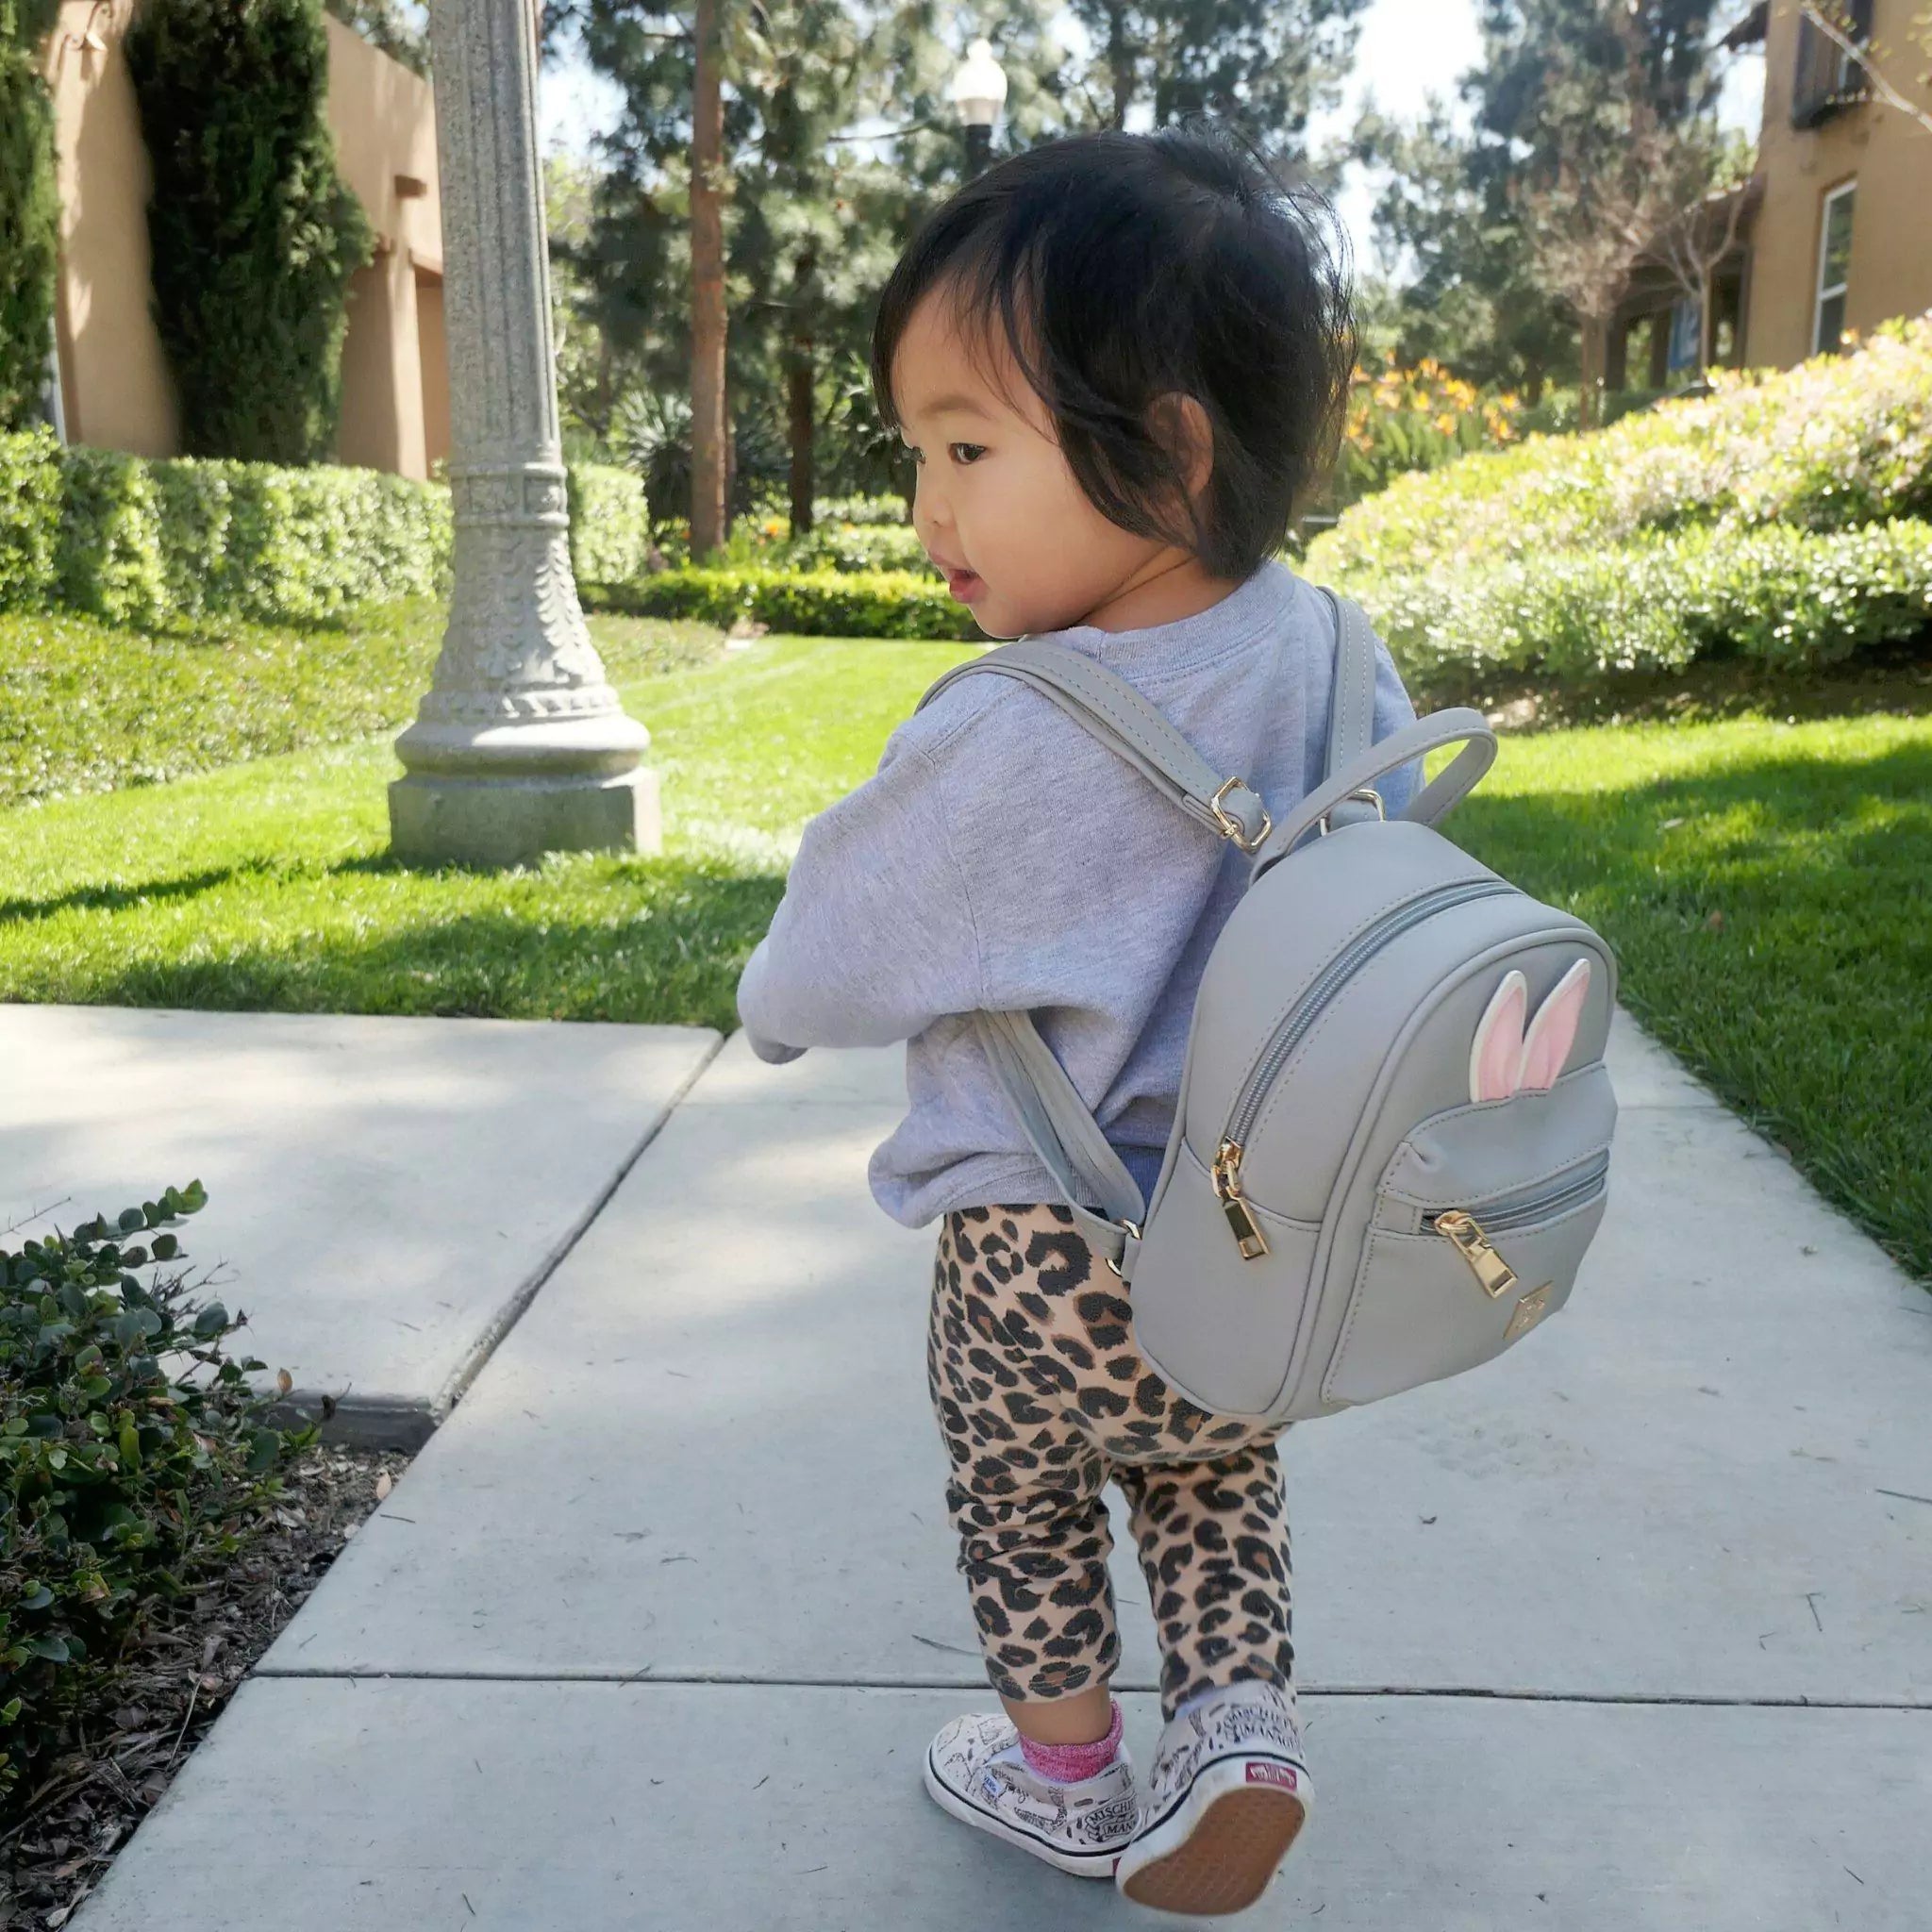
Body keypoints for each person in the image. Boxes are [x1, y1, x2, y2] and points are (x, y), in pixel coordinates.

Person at [734, 121, 1424, 1915]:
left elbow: (819, 959)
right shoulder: (1349, 658)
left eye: (966, 447)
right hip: (1252, 1230)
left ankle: (1062, 1775)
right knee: (1214, 1481)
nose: (928, 507)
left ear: (1172, 451)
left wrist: (772, 1005)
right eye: (917, 453)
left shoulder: (1013, 726)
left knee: (1023, 1503)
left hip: (1033, 1249)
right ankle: (1239, 1733)